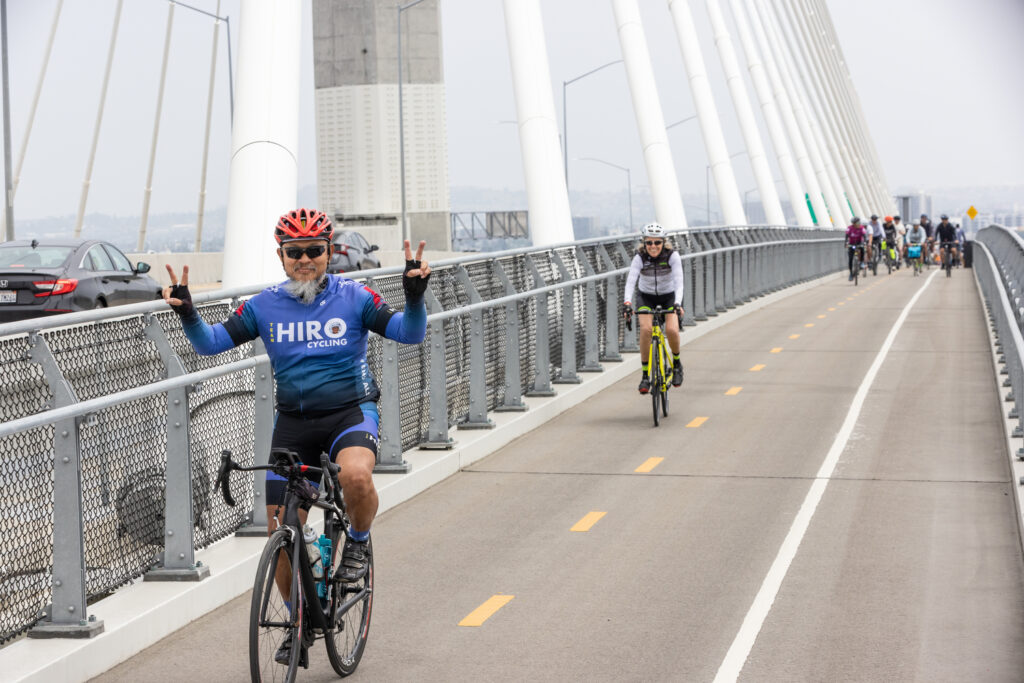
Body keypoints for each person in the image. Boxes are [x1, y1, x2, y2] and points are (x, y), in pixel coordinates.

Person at [162, 208, 431, 664]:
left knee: (357, 478)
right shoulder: (264, 306)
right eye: (295, 252)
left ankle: (358, 548)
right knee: (281, 536)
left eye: (314, 251)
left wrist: (414, 297)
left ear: (329, 252)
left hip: (350, 414)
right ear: (281, 256)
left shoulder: (355, 297)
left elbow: (410, 333)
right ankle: (302, 621)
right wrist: (188, 312)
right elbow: (210, 344)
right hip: (294, 424)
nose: (305, 259)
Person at [622, 223, 685, 393]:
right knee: (646, 329)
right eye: (649, 243)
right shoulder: (640, 258)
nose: (653, 247)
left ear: (663, 243)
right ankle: (645, 376)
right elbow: (630, 282)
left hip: (669, 296)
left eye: (657, 243)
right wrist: (627, 303)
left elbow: (679, 283)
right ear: (644, 243)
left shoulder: (672, 256)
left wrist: (678, 303)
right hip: (646, 296)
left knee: (672, 330)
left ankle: (677, 364)